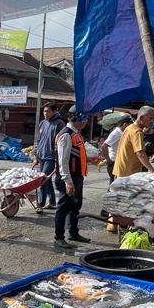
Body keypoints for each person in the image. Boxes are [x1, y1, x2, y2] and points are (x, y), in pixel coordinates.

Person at [53, 106, 91, 250]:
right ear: (77, 118)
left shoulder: (76, 134)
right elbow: (63, 161)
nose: (86, 121)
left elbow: (77, 154)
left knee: (75, 206)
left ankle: (73, 232)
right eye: (85, 118)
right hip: (68, 179)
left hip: (77, 177)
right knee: (63, 208)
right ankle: (59, 237)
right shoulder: (66, 135)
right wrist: (68, 181)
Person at [32, 103, 65, 213]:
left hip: (51, 157)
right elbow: (38, 141)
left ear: (54, 111)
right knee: (47, 180)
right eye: (44, 111)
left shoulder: (59, 124)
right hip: (41, 156)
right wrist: (36, 156)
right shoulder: (42, 123)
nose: (45, 113)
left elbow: (63, 142)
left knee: (42, 180)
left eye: (48, 111)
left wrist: (59, 159)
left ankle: (40, 204)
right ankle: (51, 202)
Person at [112, 106, 154, 179]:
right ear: (141, 118)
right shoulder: (137, 131)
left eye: (153, 119)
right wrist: (153, 171)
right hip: (128, 173)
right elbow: (140, 153)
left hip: (122, 170)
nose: (152, 121)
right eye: (150, 118)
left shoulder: (130, 127)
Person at [98, 114, 133, 183]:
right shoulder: (116, 133)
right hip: (113, 162)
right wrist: (108, 160)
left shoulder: (122, 132)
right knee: (114, 185)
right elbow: (104, 146)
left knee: (117, 185)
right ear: (125, 124)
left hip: (118, 161)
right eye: (130, 125)